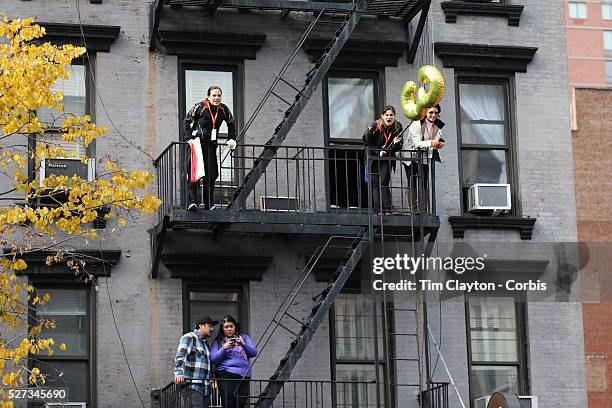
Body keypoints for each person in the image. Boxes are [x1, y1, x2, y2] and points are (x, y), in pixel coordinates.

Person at [184, 86, 237, 211]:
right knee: (194, 173)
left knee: (212, 174)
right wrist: (188, 138)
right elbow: (186, 121)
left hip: (211, 145)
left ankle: (209, 204)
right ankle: (192, 202)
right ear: (208, 96)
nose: (217, 98)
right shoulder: (200, 106)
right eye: (214, 95)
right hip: (197, 144)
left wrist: (231, 138)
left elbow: (231, 123)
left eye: (219, 95)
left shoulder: (224, 109)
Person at [403, 104, 445, 212]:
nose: (433, 115)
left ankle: (423, 209)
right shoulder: (417, 123)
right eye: (431, 112)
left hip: (425, 156)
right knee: (412, 181)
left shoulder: (438, 126)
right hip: (411, 155)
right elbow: (416, 143)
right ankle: (414, 209)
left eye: (436, 113)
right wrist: (432, 143)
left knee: (424, 181)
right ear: (426, 112)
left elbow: (436, 139)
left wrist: (438, 144)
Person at [363, 105, 404, 216]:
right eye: (386, 115)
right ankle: (378, 210)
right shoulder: (376, 125)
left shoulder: (398, 127)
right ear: (382, 116)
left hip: (386, 158)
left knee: (384, 183)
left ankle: (387, 209)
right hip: (373, 157)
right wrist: (378, 151)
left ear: (394, 116)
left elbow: (398, 148)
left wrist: (396, 143)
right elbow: (366, 142)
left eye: (391, 115)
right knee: (375, 184)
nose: (389, 117)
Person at [210, 315, 257, 408]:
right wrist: (224, 347)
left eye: (231, 326)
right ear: (222, 329)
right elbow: (214, 359)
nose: (229, 329)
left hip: (244, 375)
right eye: (226, 327)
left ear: (235, 327)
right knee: (228, 404)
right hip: (226, 374)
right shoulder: (219, 341)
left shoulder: (244, 337)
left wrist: (243, 344)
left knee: (240, 404)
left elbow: (253, 352)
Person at [175, 316, 218, 408]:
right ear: (200, 326)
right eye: (209, 326)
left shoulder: (206, 344)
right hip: (192, 385)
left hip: (205, 387)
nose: (212, 329)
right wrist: (179, 372)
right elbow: (181, 356)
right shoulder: (190, 337)